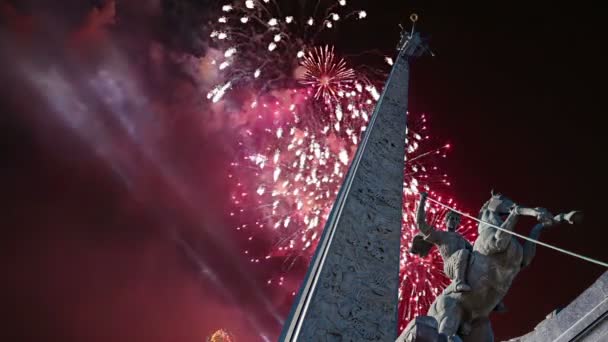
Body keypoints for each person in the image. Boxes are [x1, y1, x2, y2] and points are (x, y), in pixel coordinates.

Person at [411, 192, 472, 292]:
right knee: (463, 252)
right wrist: (422, 201)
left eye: (456, 220)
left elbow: (475, 251)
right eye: (451, 218)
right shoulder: (440, 235)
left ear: (458, 224)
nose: (453, 221)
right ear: (446, 220)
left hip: (463, 263)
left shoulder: (461, 239)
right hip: (450, 266)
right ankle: (458, 282)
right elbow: (420, 224)